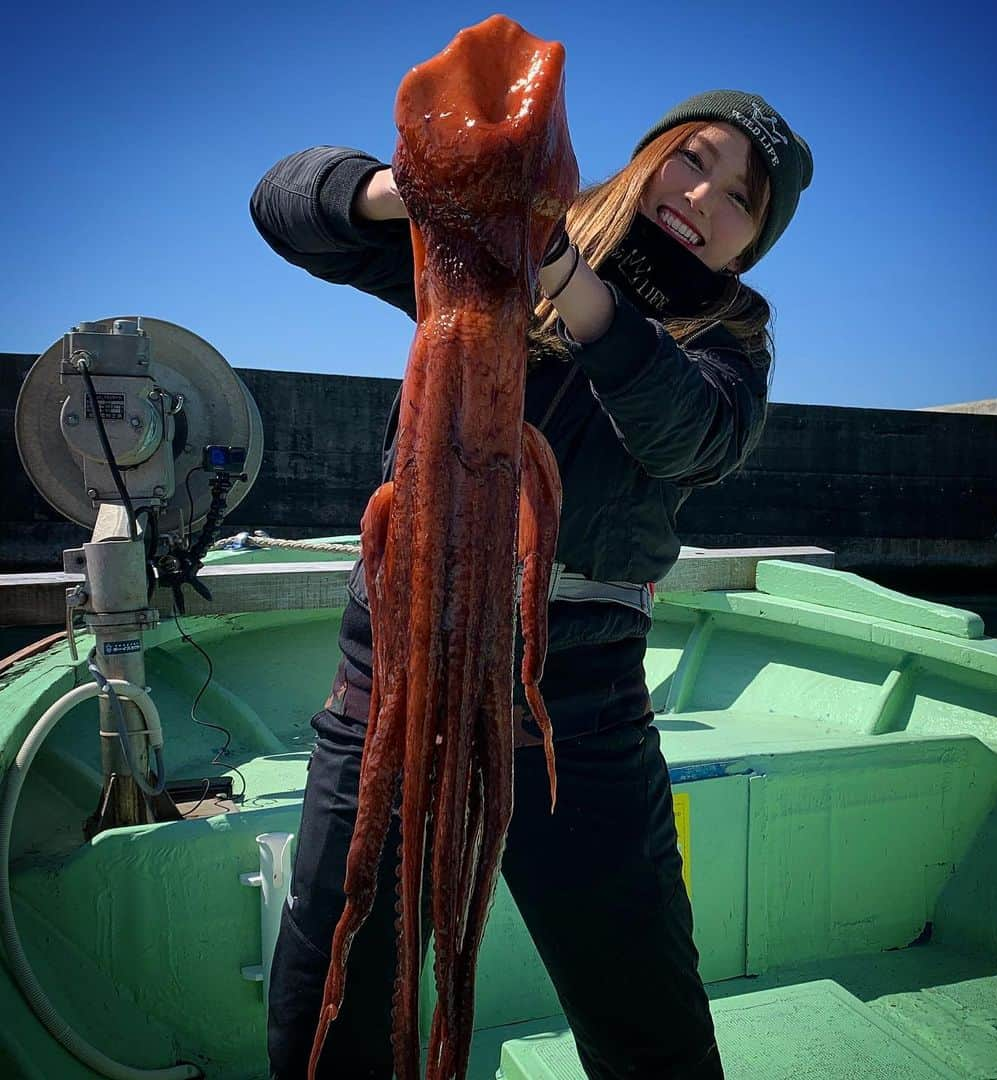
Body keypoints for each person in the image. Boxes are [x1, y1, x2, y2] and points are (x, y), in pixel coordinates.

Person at [250, 88, 812, 1080]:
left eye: (741, 201)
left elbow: (693, 433)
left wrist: (566, 271)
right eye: (695, 160)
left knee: (647, 1017)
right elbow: (284, 206)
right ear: (650, 157)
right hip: (395, 666)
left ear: (749, 248)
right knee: (329, 992)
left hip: (577, 702)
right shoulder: (492, 243)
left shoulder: (728, 336)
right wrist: (416, 195)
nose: (702, 198)